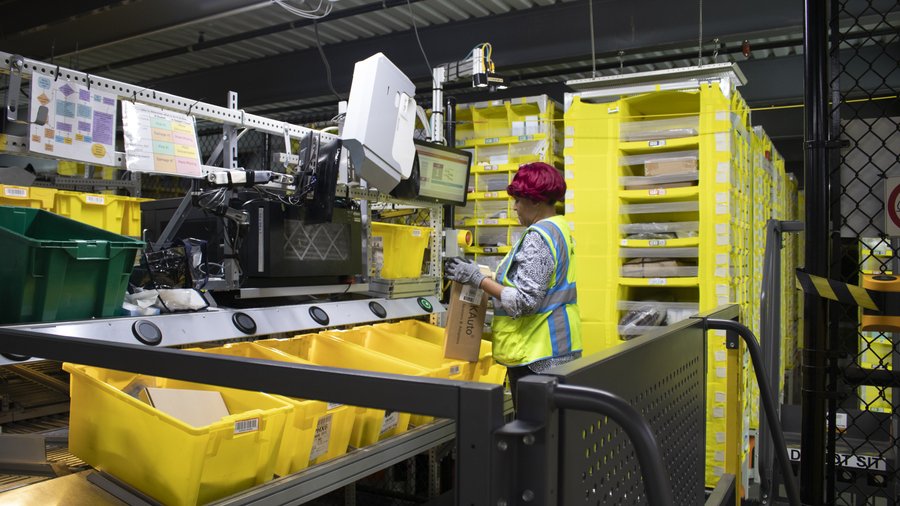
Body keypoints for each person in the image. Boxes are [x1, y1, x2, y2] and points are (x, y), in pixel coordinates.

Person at [445, 162, 582, 405]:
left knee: (533, 428)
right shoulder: (559, 229)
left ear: (536, 201)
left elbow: (524, 302)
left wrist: (478, 279)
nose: (515, 206)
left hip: (537, 357)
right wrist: (479, 273)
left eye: (519, 200)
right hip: (555, 350)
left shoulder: (539, 238)